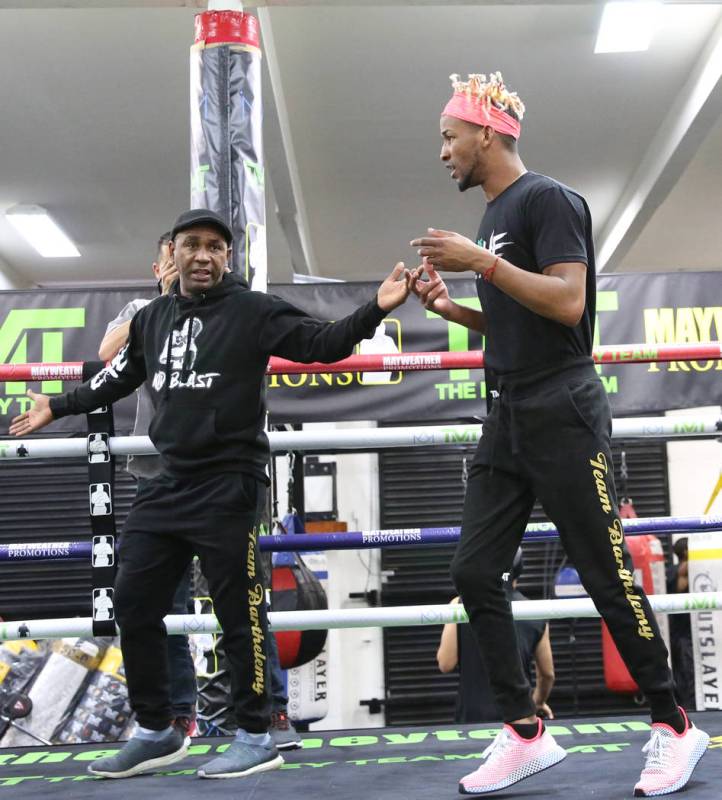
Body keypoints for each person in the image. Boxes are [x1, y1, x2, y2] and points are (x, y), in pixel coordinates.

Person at [10, 208, 411, 780]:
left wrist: (377, 308)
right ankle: (157, 729)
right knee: (133, 602)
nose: (203, 255)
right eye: (192, 245)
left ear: (228, 258)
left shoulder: (253, 310)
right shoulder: (151, 318)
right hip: (166, 483)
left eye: (215, 247)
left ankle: (256, 733)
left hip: (227, 483)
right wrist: (58, 404)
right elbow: (115, 377)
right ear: (172, 253)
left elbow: (323, 345)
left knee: (238, 614)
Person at [408, 72, 708, 796]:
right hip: (507, 413)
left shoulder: (548, 199)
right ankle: (524, 731)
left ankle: (674, 726)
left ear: (486, 133)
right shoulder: (492, 218)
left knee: (604, 573)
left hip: (563, 411)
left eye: (450, 137)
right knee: (473, 572)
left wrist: (482, 263)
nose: (443, 151)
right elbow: (518, 316)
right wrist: (455, 309)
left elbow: (569, 305)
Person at [99, 232, 198, 741]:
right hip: (154, 477)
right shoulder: (143, 308)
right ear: (159, 266)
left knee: (244, 598)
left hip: (214, 473)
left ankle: (269, 712)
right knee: (159, 601)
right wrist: (161, 302)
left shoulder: (215, 307)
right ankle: (173, 714)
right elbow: (107, 351)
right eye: (172, 261)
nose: (182, 267)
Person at [437, 548, 555, 723]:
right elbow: (547, 674)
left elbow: (445, 663)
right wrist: (538, 702)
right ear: (519, 569)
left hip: (472, 717)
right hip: (519, 716)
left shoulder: (460, 603)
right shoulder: (535, 612)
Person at [666, 538, 695, 709]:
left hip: (693, 632)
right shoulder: (678, 571)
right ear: (685, 553)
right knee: (686, 674)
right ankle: (688, 710)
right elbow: (683, 577)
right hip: (682, 635)